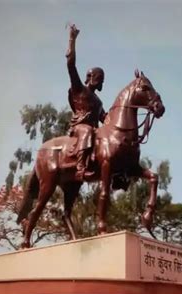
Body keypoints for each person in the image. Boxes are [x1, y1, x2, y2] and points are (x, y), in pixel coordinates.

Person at [66, 24, 107, 181]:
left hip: (94, 131)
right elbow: (70, 64)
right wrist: (72, 39)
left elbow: (106, 119)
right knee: (87, 130)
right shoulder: (79, 89)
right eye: (100, 78)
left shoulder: (98, 101)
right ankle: (80, 167)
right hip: (80, 128)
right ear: (92, 77)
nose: (102, 81)